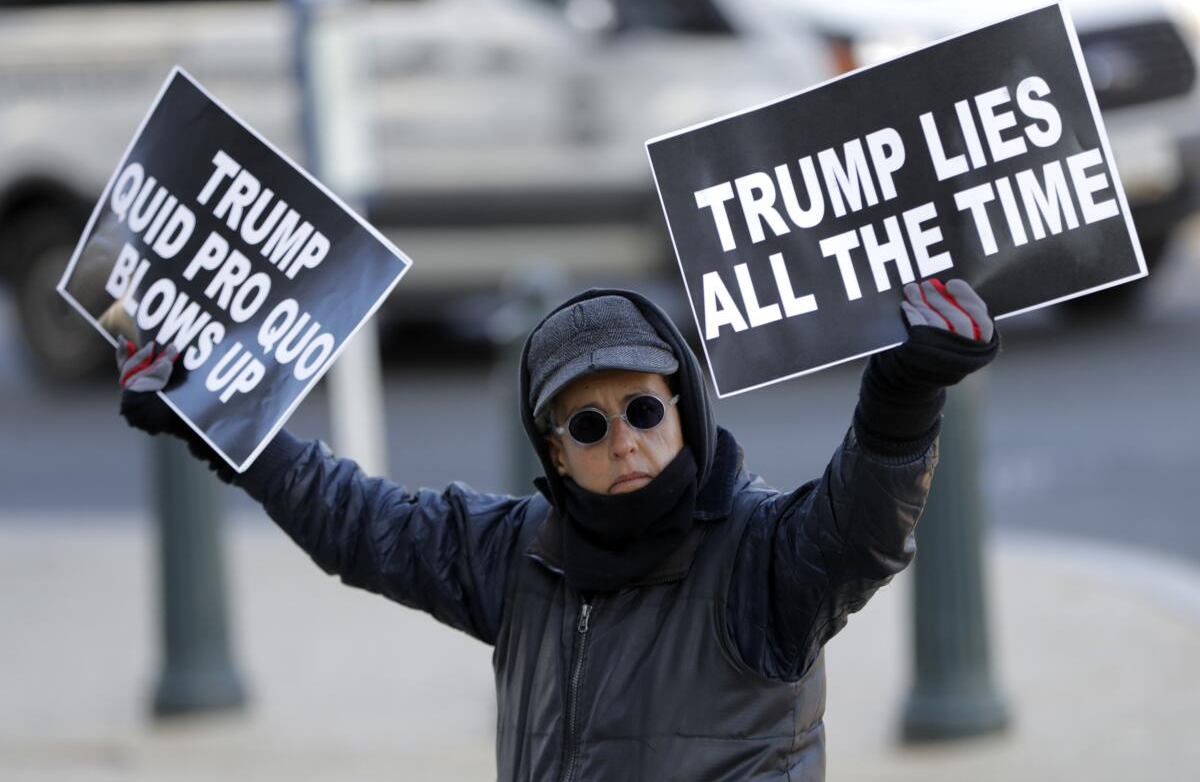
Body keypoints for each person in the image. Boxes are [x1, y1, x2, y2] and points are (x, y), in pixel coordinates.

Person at [116, 278, 998, 781]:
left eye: (644, 408)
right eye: (588, 424)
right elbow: (353, 521)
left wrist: (903, 395)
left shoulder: (761, 556)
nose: (624, 441)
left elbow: (863, 529)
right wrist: (215, 419)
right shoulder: (515, 552)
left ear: (685, 411)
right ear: (554, 449)